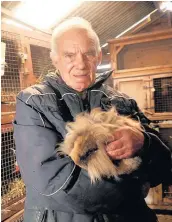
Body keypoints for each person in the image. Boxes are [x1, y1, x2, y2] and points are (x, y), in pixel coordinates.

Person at [13, 17, 171, 222]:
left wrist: (143, 142)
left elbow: (163, 168)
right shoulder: (33, 102)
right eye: (69, 55)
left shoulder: (122, 102)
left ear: (98, 56)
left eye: (88, 53)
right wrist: (135, 187)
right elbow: (57, 187)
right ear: (55, 59)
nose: (80, 63)